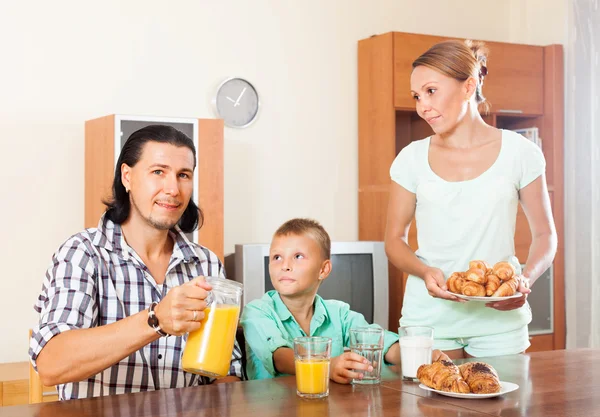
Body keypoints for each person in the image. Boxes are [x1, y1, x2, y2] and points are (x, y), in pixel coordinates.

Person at [29, 125, 243, 400]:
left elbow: (227, 372)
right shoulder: (83, 253)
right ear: (127, 177)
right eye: (158, 172)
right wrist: (156, 320)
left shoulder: (206, 264)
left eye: (183, 175)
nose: (173, 188)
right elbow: (50, 364)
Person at [384, 39, 557, 359]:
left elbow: (546, 236)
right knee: (431, 407)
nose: (422, 105)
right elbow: (394, 239)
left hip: (499, 320)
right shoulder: (410, 159)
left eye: (431, 91)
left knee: (504, 407)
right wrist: (424, 273)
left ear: (469, 86)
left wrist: (524, 280)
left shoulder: (521, 153)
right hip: (429, 318)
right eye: (417, 96)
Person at [240, 218, 448, 383]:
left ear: (324, 269)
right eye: (277, 257)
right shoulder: (257, 312)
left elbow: (381, 343)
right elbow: (279, 357)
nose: (285, 265)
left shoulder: (339, 313)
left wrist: (419, 356)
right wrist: (327, 366)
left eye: (298, 256)